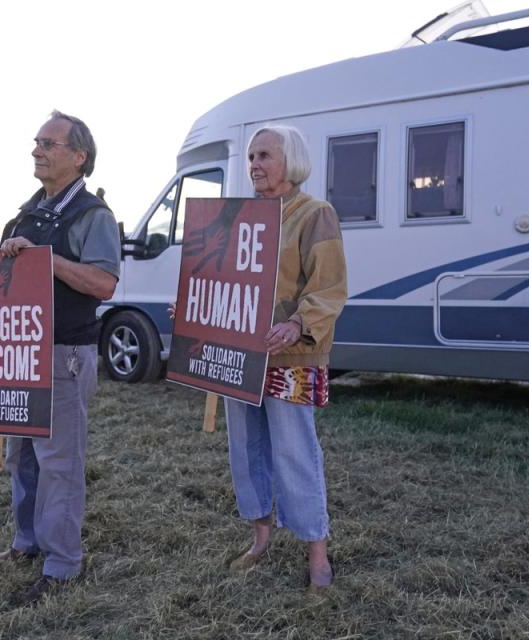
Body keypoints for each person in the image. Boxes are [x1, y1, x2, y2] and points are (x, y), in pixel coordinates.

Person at [0, 110, 121, 607]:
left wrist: (43, 258)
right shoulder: (23, 216)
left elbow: (103, 283)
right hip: (20, 355)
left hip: (65, 353)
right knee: (22, 457)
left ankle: (62, 565)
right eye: (36, 142)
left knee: (59, 462)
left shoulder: (93, 216)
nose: (37, 150)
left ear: (79, 156)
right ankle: (27, 543)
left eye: (49, 143)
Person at [223, 125, 347, 597]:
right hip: (240, 353)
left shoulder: (316, 214)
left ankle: (317, 553)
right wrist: (196, 309)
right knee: (247, 448)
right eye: (251, 156)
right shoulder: (242, 217)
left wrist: (297, 324)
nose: (254, 164)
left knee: (295, 451)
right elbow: (224, 278)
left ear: (290, 160)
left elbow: (329, 286)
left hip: (293, 356)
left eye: (264, 156)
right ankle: (260, 537)